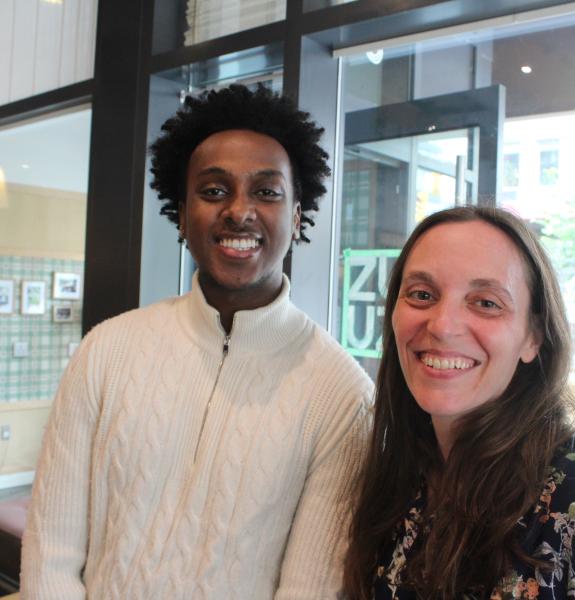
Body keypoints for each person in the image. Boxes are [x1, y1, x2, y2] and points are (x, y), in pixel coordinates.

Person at [21, 84, 374, 599]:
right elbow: (51, 551)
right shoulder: (107, 351)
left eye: (267, 192)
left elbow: (310, 589)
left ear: (297, 218)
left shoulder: (341, 395)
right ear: (182, 216)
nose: (239, 211)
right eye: (213, 191)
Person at [343, 206, 575, 600]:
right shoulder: (398, 478)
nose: (443, 325)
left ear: (533, 336)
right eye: (422, 295)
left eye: (486, 302)